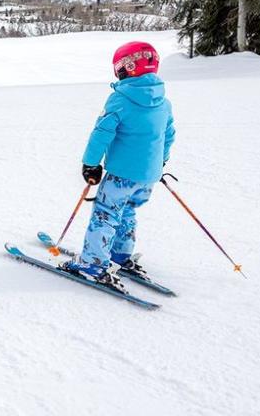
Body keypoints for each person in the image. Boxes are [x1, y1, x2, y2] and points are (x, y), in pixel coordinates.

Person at [60, 41, 175, 291]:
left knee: (106, 214)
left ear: (127, 68)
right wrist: (161, 161)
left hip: (121, 174)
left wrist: (90, 164)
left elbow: (101, 133)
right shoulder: (164, 103)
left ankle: (93, 264)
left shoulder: (120, 100)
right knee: (127, 212)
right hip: (148, 177)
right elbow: (168, 135)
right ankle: (120, 255)